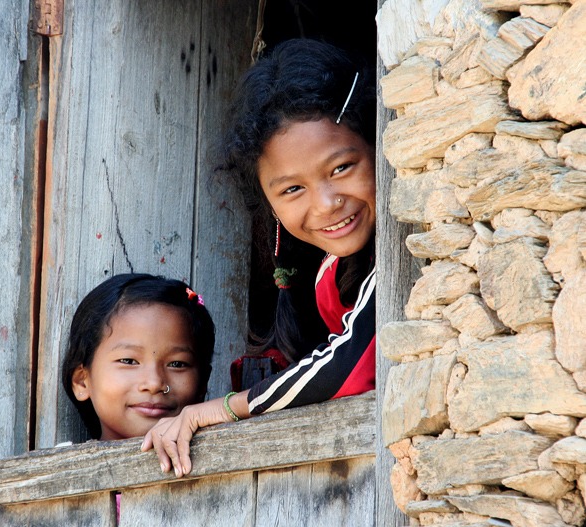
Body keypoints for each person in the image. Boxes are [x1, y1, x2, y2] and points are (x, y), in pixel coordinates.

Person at [141, 38, 377, 478]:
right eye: (292, 189)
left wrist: (220, 409)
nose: (325, 203)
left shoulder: (405, 253)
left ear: (378, 148)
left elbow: (349, 369)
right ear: (268, 204)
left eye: (341, 168)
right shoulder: (328, 276)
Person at [61, 273, 215, 442]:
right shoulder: (59, 468)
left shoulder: (221, 455)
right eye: (129, 361)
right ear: (82, 381)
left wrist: (228, 407)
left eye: (177, 364)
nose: (154, 384)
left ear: (203, 382)